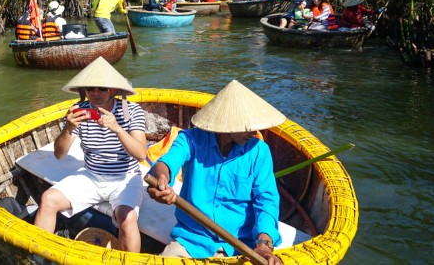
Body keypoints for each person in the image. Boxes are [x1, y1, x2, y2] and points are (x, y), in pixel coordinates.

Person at [147, 80, 285, 263]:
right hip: (191, 241)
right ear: (227, 124)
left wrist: (263, 244)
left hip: (241, 246)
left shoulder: (260, 152)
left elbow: (266, 202)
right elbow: (166, 163)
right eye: (248, 126)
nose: (254, 132)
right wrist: (162, 179)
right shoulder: (191, 140)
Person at [34, 57, 147, 252]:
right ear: (84, 91)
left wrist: (118, 129)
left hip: (125, 178)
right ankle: (37, 254)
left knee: (128, 219)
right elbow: (59, 154)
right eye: (90, 88)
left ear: (113, 90)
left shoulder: (131, 111)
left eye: (102, 88)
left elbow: (141, 154)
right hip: (91, 175)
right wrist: (68, 128)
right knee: (48, 199)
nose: (95, 93)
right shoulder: (79, 112)